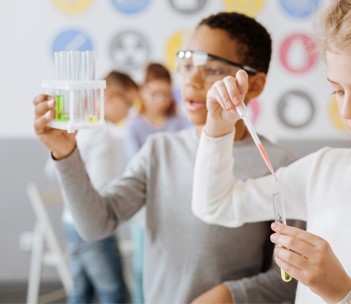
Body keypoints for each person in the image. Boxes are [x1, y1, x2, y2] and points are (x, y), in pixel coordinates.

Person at [191, 1, 351, 303]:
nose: (347, 111)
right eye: (338, 90)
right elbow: (215, 205)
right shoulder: (325, 170)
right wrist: (218, 129)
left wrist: (342, 292)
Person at [33, 12, 303, 303]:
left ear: (255, 84)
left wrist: (229, 295)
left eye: (212, 69)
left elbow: (288, 278)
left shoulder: (279, 167)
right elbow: (96, 224)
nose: (192, 80)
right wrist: (65, 153)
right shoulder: (158, 151)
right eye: (187, 64)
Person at [45, 70, 139, 304]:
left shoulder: (78, 127)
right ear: (109, 96)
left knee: (81, 293)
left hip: (71, 222)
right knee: (113, 293)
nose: (128, 111)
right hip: (92, 225)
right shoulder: (101, 131)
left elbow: (51, 169)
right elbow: (101, 186)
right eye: (127, 103)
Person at [124, 62, 189, 304]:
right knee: (143, 264)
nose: (160, 99)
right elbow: (136, 166)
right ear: (143, 92)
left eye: (165, 93)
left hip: (176, 205)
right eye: (154, 93)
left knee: (174, 263)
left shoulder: (179, 122)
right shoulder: (134, 126)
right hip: (144, 206)